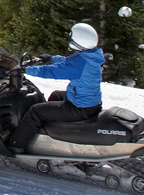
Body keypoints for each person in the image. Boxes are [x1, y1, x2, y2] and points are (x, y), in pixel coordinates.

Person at [9, 23, 104, 153]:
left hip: (80, 108)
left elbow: (53, 71)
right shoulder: (91, 56)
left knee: (36, 111)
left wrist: (28, 70)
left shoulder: (80, 64)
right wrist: (51, 58)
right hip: (86, 101)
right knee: (56, 95)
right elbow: (68, 62)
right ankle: (46, 133)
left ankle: (16, 144)